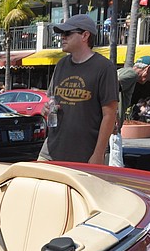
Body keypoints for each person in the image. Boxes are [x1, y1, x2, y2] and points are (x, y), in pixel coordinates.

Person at [39, 14, 118, 164]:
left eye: (67, 33)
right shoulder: (61, 64)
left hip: (85, 155)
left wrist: (98, 154)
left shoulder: (104, 68)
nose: (62, 37)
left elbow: (110, 115)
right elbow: (52, 98)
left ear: (85, 35)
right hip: (51, 150)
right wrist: (47, 108)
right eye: (61, 33)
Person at [118, 56, 150, 126]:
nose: (149, 79)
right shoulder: (132, 75)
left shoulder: (123, 71)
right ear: (148, 69)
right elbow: (110, 86)